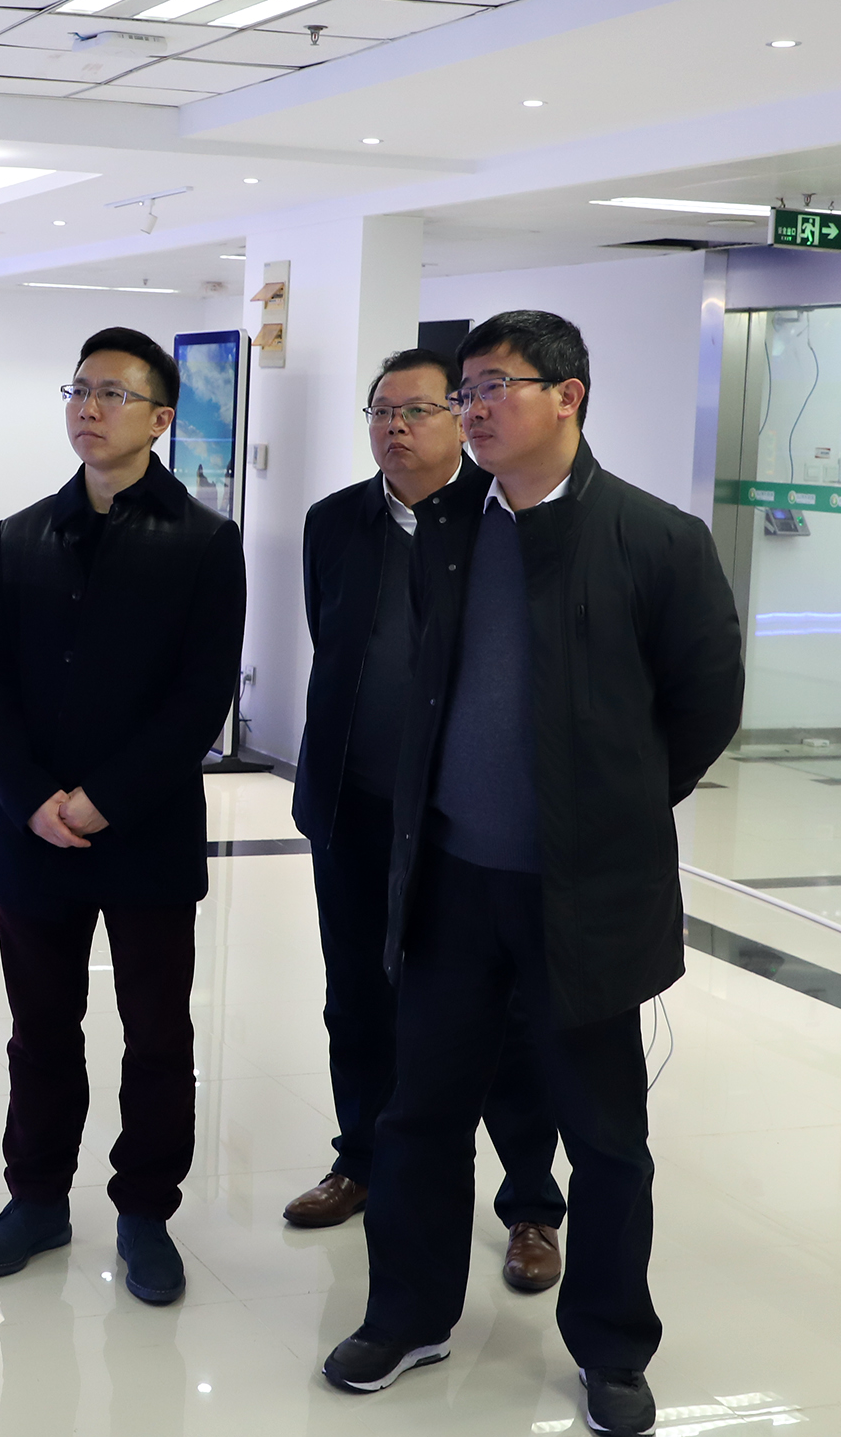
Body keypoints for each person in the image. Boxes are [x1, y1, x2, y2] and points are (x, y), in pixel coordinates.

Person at [322, 311, 743, 1437]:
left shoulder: (655, 540)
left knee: (604, 1138)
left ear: (569, 396)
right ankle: (408, 1313)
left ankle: (610, 1344)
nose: (472, 408)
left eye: (494, 385)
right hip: (450, 879)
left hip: (582, 893)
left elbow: (704, 707)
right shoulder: (450, 529)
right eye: (465, 389)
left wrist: (603, 807)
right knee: (419, 1114)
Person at [0, 325, 247, 1306]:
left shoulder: (204, 543)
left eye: (114, 393)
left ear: (160, 419)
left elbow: (198, 697)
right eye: (80, 390)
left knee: (156, 1034)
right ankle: (36, 1198)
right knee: (41, 1028)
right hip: (32, 836)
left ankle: (145, 1210)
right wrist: (30, 797)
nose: (89, 407)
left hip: (146, 834)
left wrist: (103, 798)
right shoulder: (19, 535)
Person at [285, 347, 567, 1298]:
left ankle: (531, 1204)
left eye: (415, 410)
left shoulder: (496, 522)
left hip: (460, 820)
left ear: (462, 418)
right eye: (380, 411)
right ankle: (360, 1157)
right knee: (356, 995)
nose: (393, 427)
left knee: (502, 1013)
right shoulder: (334, 522)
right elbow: (335, 645)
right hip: (354, 804)